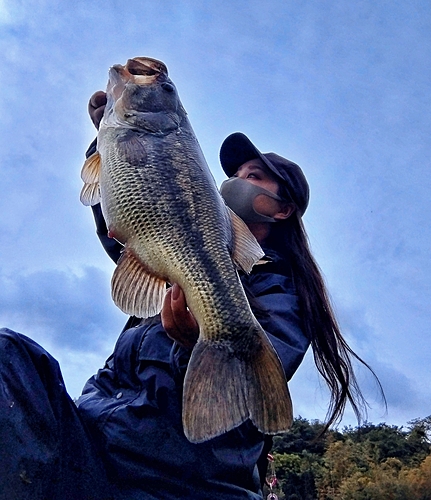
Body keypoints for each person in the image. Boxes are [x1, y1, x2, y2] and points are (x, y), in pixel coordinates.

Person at [0, 91, 380, 500]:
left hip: (173, 483)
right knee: (9, 355)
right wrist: (108, 144)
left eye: (253, 175)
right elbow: (133, 225)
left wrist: (195, 343)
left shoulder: (284, 293)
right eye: (234, 172)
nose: (235, 180)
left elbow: (252, 389)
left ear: (283, 208)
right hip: (90, 450)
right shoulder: (174, 258)